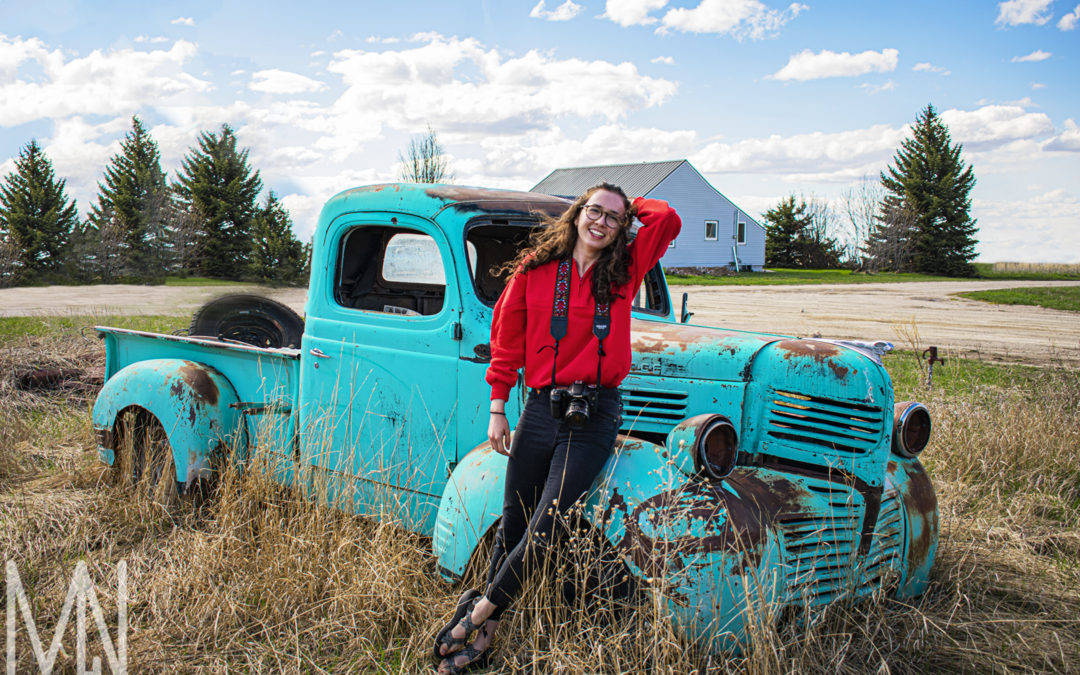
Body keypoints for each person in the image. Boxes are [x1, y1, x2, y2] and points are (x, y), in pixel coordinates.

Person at [433, 183, 681, 674]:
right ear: (576, 214)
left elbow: (668, 217)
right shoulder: (535, 272)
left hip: (595, 414)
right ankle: (487, 635)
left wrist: (628, 207)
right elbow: (506, 341)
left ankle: (481, 611)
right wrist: (498, 407)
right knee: (513, 519)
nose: (602, 223)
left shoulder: (625, 271)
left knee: (551, 519)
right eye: (594, 211)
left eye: (614, 217)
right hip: (541, 407)